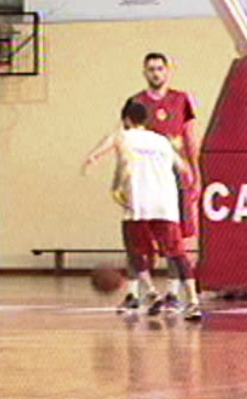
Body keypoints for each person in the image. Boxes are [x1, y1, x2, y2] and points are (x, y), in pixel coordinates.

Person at [85, 100, 202, 321]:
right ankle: (193, 302)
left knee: (136, 253)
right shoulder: (162, 140)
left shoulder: (123, 136)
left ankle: (151, 292)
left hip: (138, 203)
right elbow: (183, 168)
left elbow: (106, 149)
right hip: (166, 205)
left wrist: (94, 159)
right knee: (178, 255)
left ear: (126, 119)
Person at [127, 52, 201, 312]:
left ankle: (173, 291)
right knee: (140, 234)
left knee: (176, 234)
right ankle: (139, 291)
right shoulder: (137, 102)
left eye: (160, 68)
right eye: (151, 69)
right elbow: (127, 141)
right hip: (147, 178)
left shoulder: (181, 100)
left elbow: (190, 137)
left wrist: (196, 172)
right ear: (144, 72)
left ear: (168, 71)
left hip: (174, 176)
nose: (156, 73)